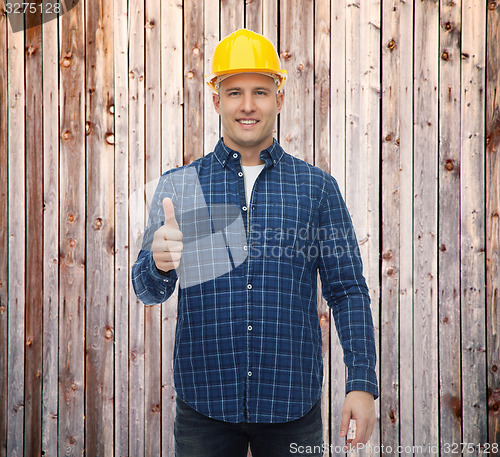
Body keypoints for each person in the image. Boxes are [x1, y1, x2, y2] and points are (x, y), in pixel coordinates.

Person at [132, 28, 378, 457]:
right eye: (234, 93)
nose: (248, 105)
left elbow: (347, 290)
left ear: (279, 99)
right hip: (204, 404)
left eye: (261, 92)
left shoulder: (316, 188)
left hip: (291, 406)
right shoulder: (181, 187)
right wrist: (159, 263)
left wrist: (361, 382)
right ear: (216, 101)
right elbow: (147, 290)